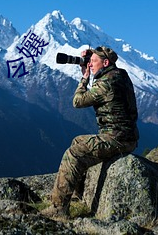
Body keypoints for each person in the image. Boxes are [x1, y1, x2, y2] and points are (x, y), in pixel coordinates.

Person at [41, 46, 139, 218]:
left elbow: (77, 102)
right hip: (126, 136)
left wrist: (84, 78)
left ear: (106, 63)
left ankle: (58, 209)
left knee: (74, 153)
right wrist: (92, 57)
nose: (90, 64)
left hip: (116, 138)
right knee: (78, 141)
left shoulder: (106, 84)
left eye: (94, 62)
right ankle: (78, 195)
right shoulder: (120, 75)